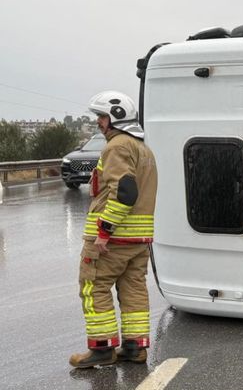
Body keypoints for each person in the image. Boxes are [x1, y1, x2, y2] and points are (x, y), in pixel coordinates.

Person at [69, 91, 158, 368]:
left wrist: (104, 231)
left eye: (102, 116)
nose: (98, 122)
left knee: (93, 285)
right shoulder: (142, 148)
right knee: (133, 289)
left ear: (115, 118)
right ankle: (134, 347)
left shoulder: (117, 147)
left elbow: (125, 192)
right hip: (138, 239)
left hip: (114, 238)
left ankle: (102, 348)